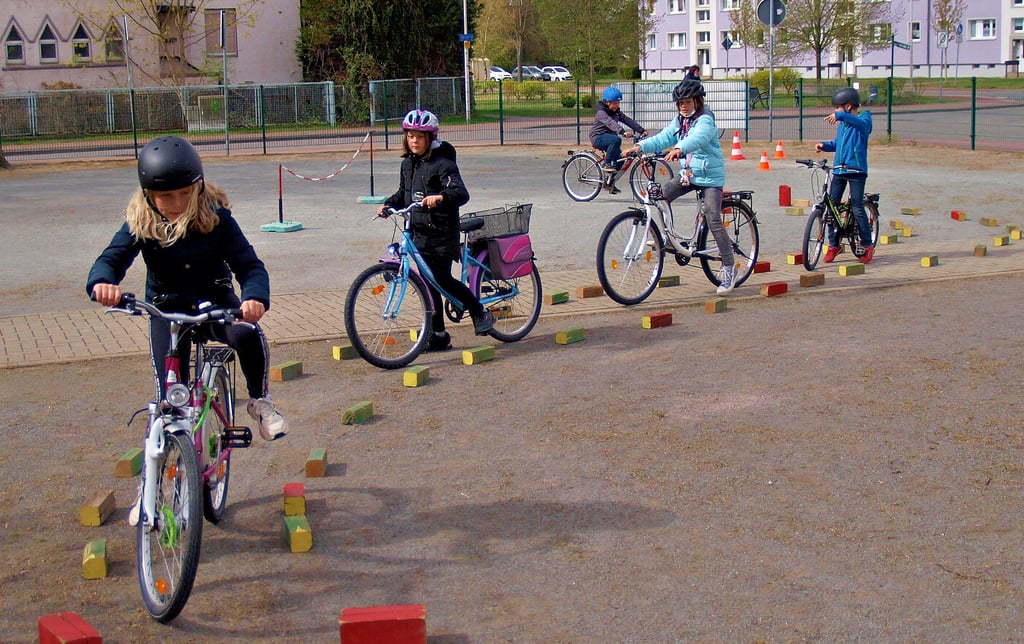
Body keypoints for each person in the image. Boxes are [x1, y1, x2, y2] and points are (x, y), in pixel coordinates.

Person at [87, 136, 289, 444]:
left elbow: (249, 266)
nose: (177, 204)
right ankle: (163, 477)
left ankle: (260, 402)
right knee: (170, 398)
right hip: (166, 309)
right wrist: (104, 282)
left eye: (185, 193)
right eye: (166, 196)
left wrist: (254, 297)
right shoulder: (140, 221)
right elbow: (111, 258)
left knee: (247, 333)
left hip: (215, 302)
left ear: (198, 188)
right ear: (148, 194)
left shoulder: (215, 217)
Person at [378, 108, 495, 350]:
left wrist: (440, 197)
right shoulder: (408, 164)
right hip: (419, 232)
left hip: (442, 232)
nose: (414, 141)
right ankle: (438, 335)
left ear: (430, 138)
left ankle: (479, 312)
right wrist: (389, 204)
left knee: (440, 279)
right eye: (410, 136)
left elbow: (460, 193)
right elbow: (404, 194)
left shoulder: (443, 163)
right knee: (429, 285)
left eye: (420, 137)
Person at [624, 78, 736, 295]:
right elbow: (662, 138)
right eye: (680, 103)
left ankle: (729, 267)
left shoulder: (705, 120)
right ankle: (668, 238)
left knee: (713, 217)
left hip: (710, 177)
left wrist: (679, 148)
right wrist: (638, 147)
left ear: (697, 100)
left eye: (687, 102)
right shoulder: (679, 121)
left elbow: (698, 139)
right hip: (689, 175)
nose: (683, 106)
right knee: (659, 195)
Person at [816, 87, 874, 264]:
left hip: (856, 171)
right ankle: (834, 245)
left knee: (856, 206)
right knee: (831, 208)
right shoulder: (843, 125)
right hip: (839, 170)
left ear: (848, 107)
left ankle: (867, 244)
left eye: (838, 108)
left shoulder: (864, 119)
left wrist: (841, 116)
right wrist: (824, 145)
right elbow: (839, 144)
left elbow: (862, 126)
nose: (835, 112)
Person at [589, 86, 647, 194]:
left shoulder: (616, 112)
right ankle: (607, 164)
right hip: (598, 137)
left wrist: (641, 130)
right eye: (614, 103)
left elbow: (627, 120)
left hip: (609, 138)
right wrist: (622, 132)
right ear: (607, 102)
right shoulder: (601, 113)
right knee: (616, 140)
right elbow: (610, 123)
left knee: (621, 159)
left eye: (618, 103)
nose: (617, 105)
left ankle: (610, 182)